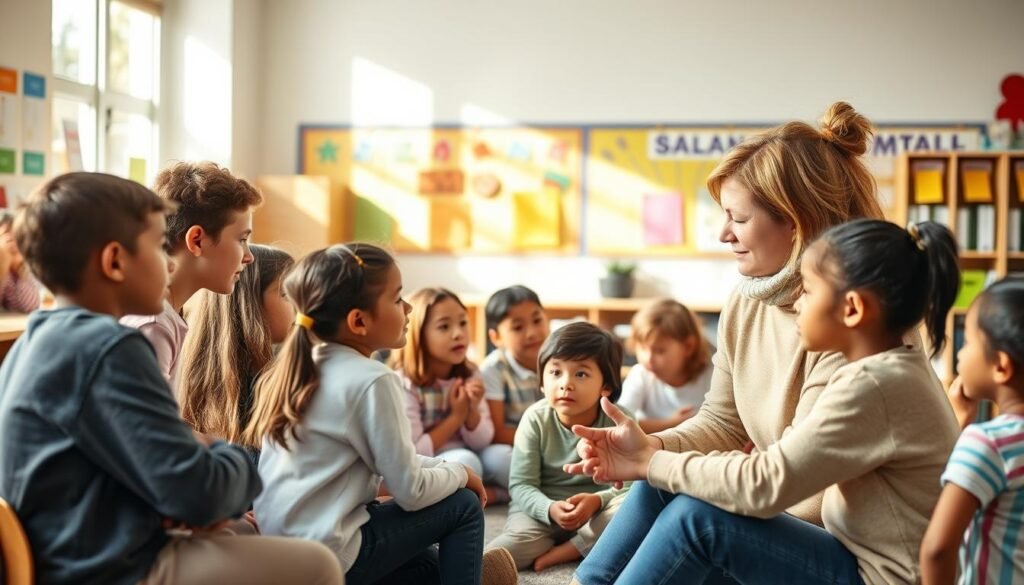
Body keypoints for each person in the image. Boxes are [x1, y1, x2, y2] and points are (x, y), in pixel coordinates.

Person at [562, 102, 915, 584]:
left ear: (795, 221)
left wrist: (658, 461)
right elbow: (723, 422)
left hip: (841, 547)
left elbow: (778, 482)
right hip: (787, 516)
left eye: (738, 218)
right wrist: (651, 447)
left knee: (693, 511)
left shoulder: (860, 333)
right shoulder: (751, 298)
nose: (723, 233)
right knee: (659, 482)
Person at [569, 219, 962, 584]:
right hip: (848, 553)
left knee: (699, 520)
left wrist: (652, 461)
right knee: (663, 484)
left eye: (807, 291)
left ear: (853, 309)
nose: (798, 302)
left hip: (874, 577)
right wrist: (655, 456)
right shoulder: (877, 372)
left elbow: (765, 483)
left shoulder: (875, 386)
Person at [0, 172, 341, 585]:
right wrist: (226, 454)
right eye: (158, 247)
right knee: (317, 564)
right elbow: (198, 491)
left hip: (72, 549)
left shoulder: (35, 340)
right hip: (105, 567)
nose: (169, 261)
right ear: (114, 261)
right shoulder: (112, 347)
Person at [243, 244, 517, 585]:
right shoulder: (372, 379)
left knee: (430, 563)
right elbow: (410, 489)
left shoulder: (298, 369)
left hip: (287, 557)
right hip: (329, 558)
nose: (408, 308)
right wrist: (460, 476)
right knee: (462, 505)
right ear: (359, 321)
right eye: (398, 298)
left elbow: (394, 459)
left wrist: (450, 467)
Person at [487, 322, 630, 572]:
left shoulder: (620, 422)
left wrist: (597, 500)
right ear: (541, 382)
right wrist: (549, 508)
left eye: (581, 374)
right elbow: (521, 485)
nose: (566, 383)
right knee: (504, 552)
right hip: (539, 510)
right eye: (555, 372)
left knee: (635, 512)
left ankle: (570, 550)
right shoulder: (535, 418)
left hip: (598, 512)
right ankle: (585, 546)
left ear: (606, 386)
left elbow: (631, 486)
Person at [121, 161, 262, 394]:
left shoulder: (163, 314)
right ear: (196, 240)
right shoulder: (153, 326)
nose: (249, 257)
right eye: (242, 240)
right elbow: (143, 428)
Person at [921, 277, 1024, 585]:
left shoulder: (988, 443)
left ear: (1001, 367)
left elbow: (937, 549)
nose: (961, 354)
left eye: (968, 343)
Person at [178, 244, 295, 456]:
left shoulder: (189, 372)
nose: (299, 305)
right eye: (286, 293)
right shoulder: (270, 385)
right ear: (249, 304)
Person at [392, 288, 499, 496]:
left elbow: (483, 440)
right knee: (467, 463)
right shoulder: (405, 383)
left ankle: (490, 494)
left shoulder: (471, 373)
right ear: (419, 335)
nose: (458, 333)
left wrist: (472, 411)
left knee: (507, 459)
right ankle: (493, 494)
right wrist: (456, 416)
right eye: (444, 326)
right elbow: (415, 451)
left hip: (469, 451)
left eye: (463, 322)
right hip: (431, 460)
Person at [479, 285, 551, 492]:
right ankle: (524, 491)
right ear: (496, 338)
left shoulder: (558, 359)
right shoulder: (493, 369)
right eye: (518, 327)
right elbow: (497, 432)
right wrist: (543, 441)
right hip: (516, 444)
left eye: (537, 320)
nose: (532, 333)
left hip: (554, 442)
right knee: (497, 458)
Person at [618, 298, 712, 433]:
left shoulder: (712, 376)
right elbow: (620, 422)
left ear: (688, 347)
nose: (648, 359)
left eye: (659, 351)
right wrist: (670, 424)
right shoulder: (641, 374)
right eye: (643, 348)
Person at [0, 210, 41, 312]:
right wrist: (3, 266)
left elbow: (32, 307)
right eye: (6, 235)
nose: (12, 243)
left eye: (15, 235)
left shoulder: (32, 265)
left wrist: (19, 270)